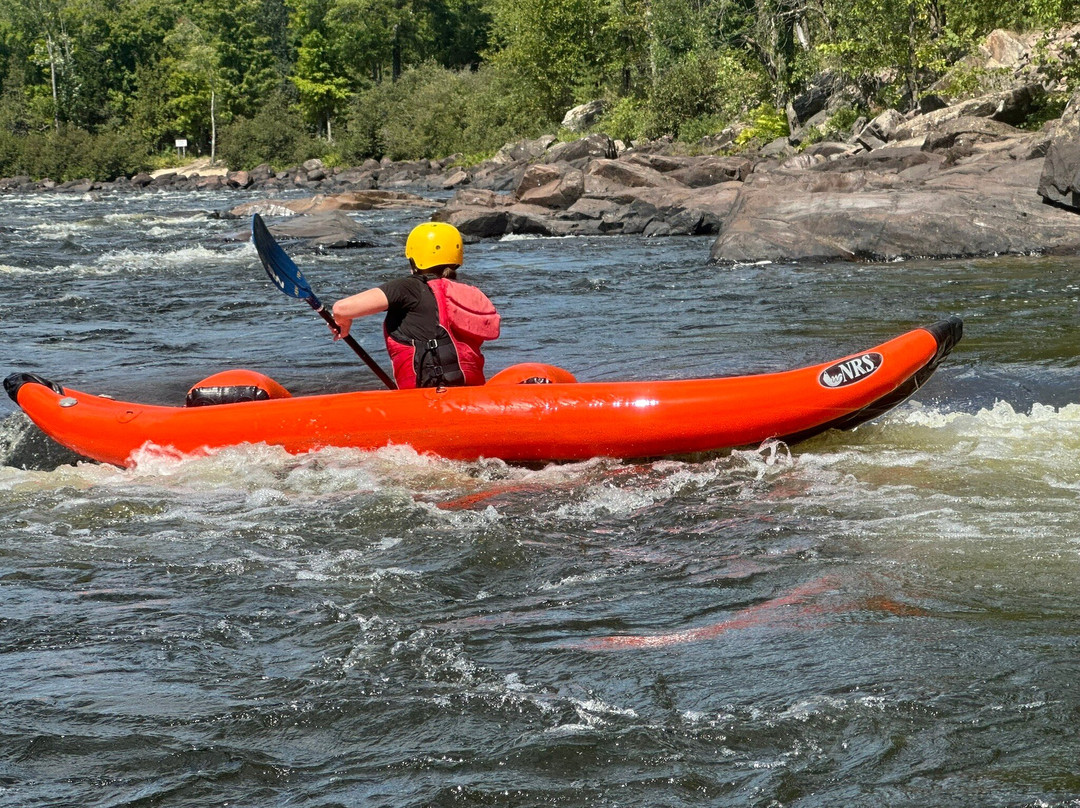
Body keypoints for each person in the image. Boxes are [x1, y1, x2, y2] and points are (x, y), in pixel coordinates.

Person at [330, 222, 501, 389]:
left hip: (430, 395)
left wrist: (343, 321)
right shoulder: (469, 292)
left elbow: (342, 309)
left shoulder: (408, 288)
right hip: (471, 392)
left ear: (413, 258)